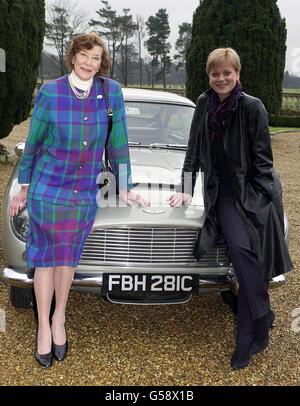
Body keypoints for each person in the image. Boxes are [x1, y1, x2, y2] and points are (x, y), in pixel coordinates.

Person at [9, 32, 148, 368]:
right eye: (84, 55)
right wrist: (23, 187)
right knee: (44, 259)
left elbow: (118, 143)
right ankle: (43, 327)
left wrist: (125, 185)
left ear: (102, 63)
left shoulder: (110, 92)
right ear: (73, 57)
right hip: (48, 188)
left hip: (84, 192)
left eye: (96, 58)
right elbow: (35, 142)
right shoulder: (51, 92)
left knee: (67, 260)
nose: (89, 63)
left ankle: (60, 319)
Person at [168, 48, 293, 369]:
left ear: (237, 74)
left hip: (253, 193)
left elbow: (264, 164)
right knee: (239, 248)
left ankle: (248, 338)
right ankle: (262, 317)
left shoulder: (253, 108)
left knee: (248, 254)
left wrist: (260, 203)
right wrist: (184, 190)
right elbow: (194, 150)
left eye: (227, 73)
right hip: (221, 191)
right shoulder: (203, 103)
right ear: (208, 76)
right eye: (215, 73)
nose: (221, 78)